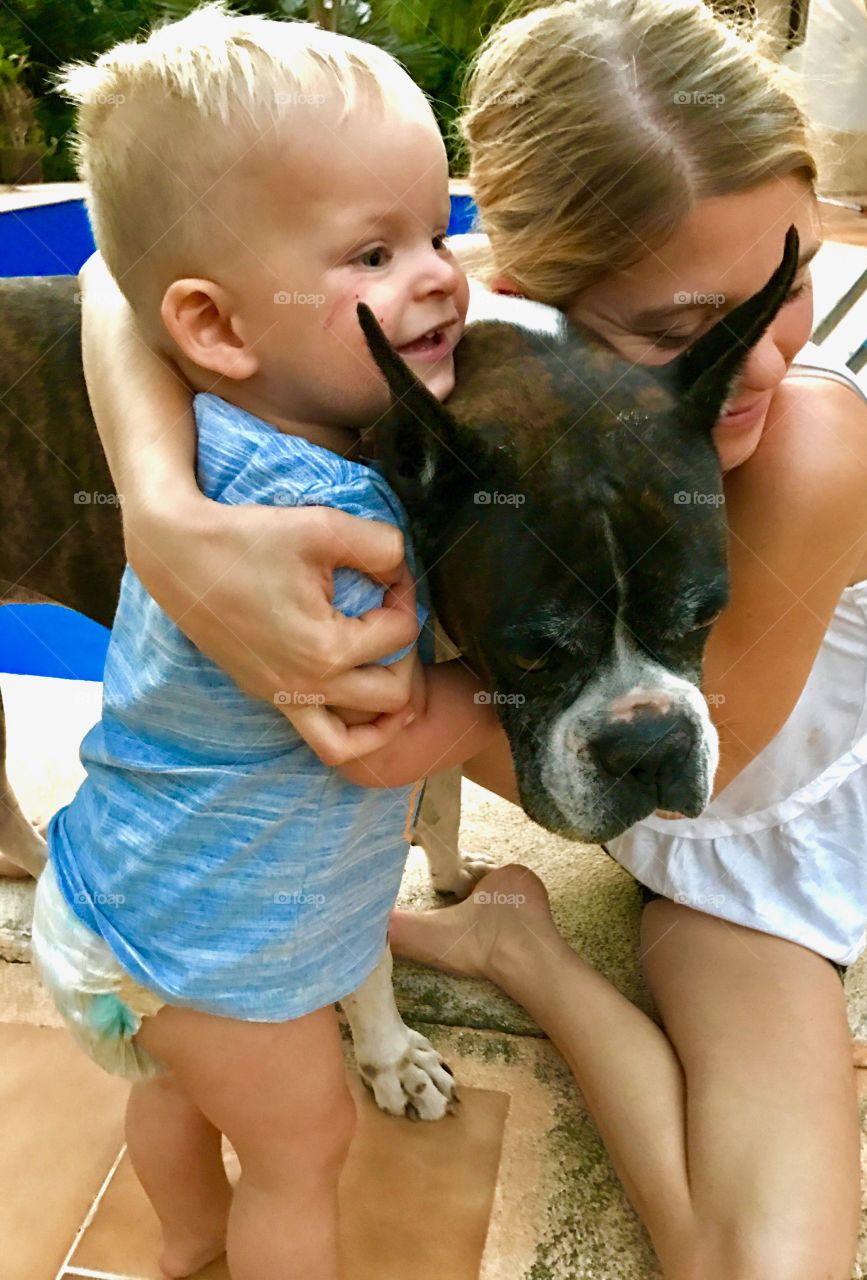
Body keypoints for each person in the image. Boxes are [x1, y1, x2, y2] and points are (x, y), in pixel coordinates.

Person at [70, 1, 867, 1277]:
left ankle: (520, 945)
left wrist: (260, 614)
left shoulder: (809, 445)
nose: (754, 364)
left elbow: (686, 779)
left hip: (747, 852)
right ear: (515, 294)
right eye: (682, 333)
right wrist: (163, 511)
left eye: (788, 286)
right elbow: (115, 272)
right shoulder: (447, 340)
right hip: (603, 795)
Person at [28, 8, 506, 1280]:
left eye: (437, 227)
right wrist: (512, 689)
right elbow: (382, 728)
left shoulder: (215, 435)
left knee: (181, 1094)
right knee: (303, 1155)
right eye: (374, 250)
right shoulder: (337, 527)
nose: (443, 273)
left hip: (112, 911)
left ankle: (186, 1244)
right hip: (227, 949)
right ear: (220, 325)